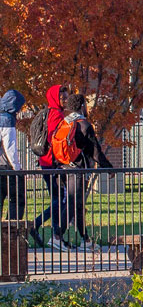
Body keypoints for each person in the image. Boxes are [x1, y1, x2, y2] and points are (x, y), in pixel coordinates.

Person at [49, 93, 110, 251]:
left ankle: (86, 240)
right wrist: (108, 168)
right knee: (72, 204)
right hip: (77, 170)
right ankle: (57, 236)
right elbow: (95, 151)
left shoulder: (65, 122)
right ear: (82, 105)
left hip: (63, 168)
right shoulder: (83, 125)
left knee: (78, 205)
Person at [28, 85, 69, 251]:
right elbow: (55, 141)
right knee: (61, 199)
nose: (65, 100)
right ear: (55, 98)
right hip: (52, 164)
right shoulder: (56, 115)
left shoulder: (48, 113)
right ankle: (36, 224)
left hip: (46, 163)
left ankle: (56, 235)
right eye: (63, 98)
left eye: (67, 97)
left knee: (57, 199)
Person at [0, 89, 23, 221]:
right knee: (16, 199)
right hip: (6, 167)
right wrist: (17, 168)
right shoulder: (7, 120)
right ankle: (12, 231)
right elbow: (10, 147)